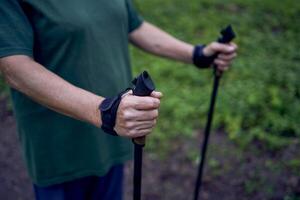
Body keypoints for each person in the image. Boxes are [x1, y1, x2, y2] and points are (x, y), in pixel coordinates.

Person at [0, 0, 237, 199]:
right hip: (62, 146)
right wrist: (104, 111)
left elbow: (134, 26)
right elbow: (16, 69)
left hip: (113, 133)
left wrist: (197, 54)